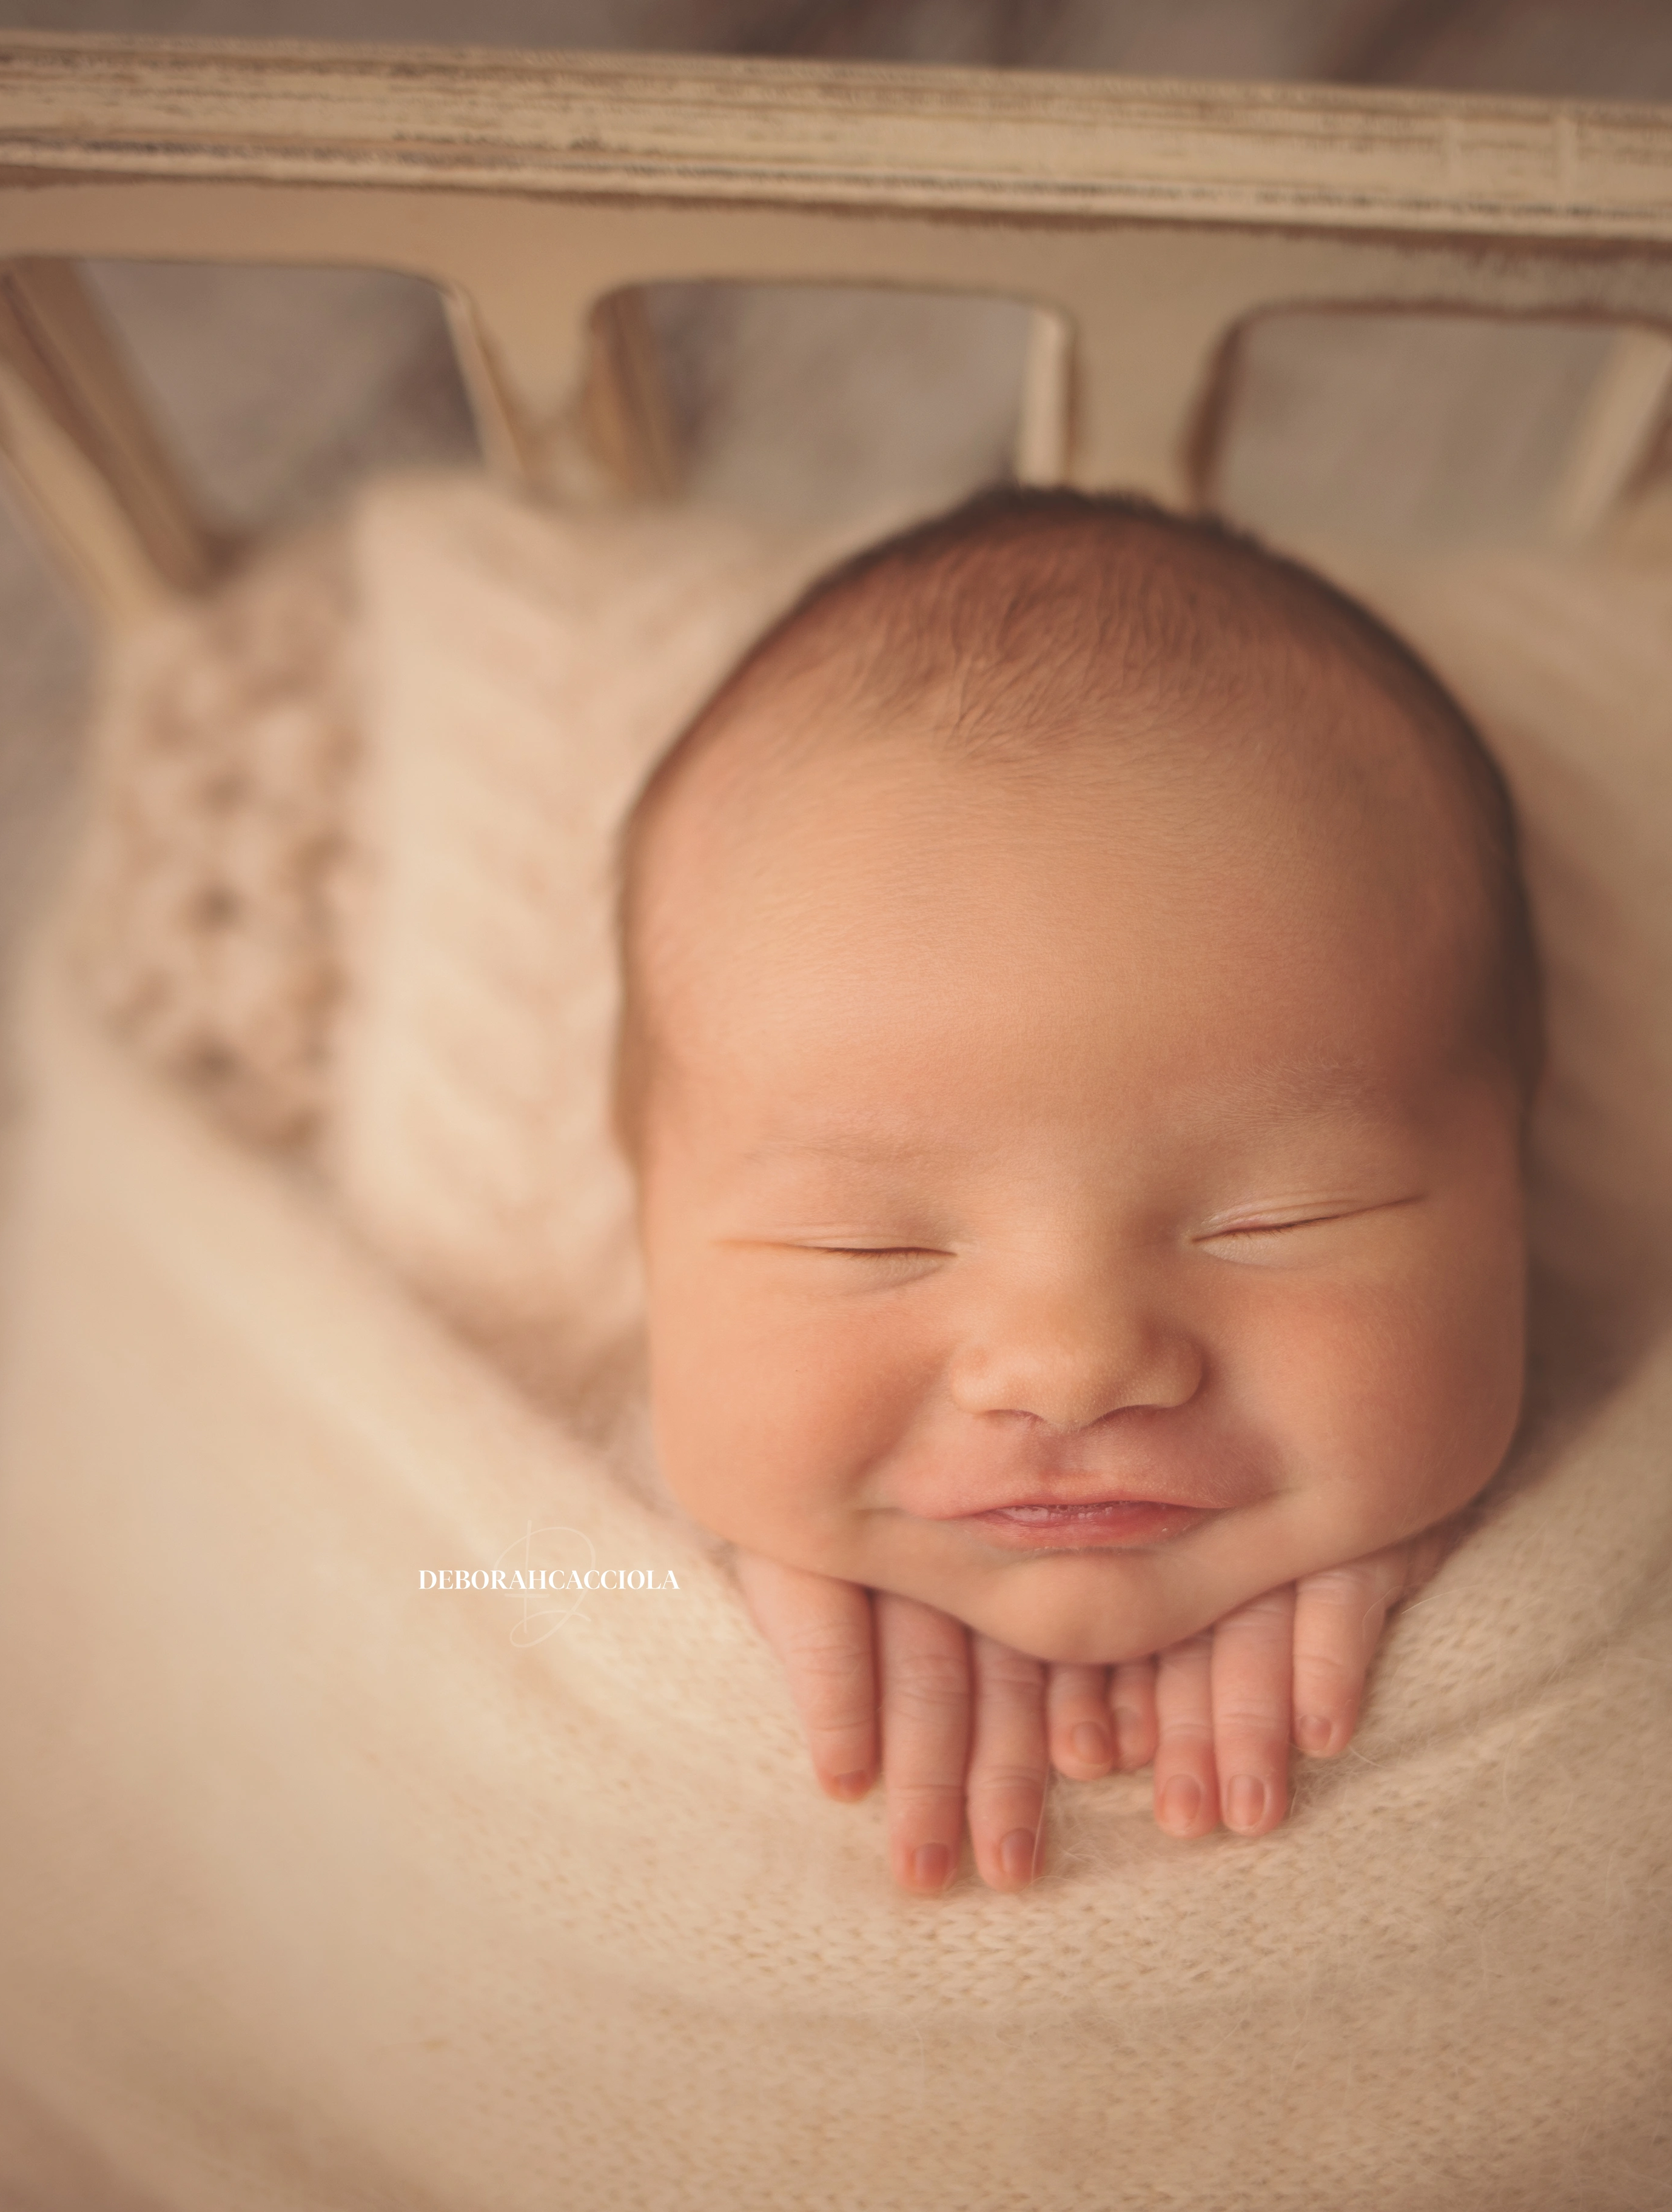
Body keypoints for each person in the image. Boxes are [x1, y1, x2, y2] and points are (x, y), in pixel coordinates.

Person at [609, 487, 1541, 1896]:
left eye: (1272, 1224)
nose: (1073, 1367)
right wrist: (671, 1592)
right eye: (867, 1243)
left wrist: (1496, 1569)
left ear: (1519, 1184)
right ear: (644, 1228)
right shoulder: (549, 1564)